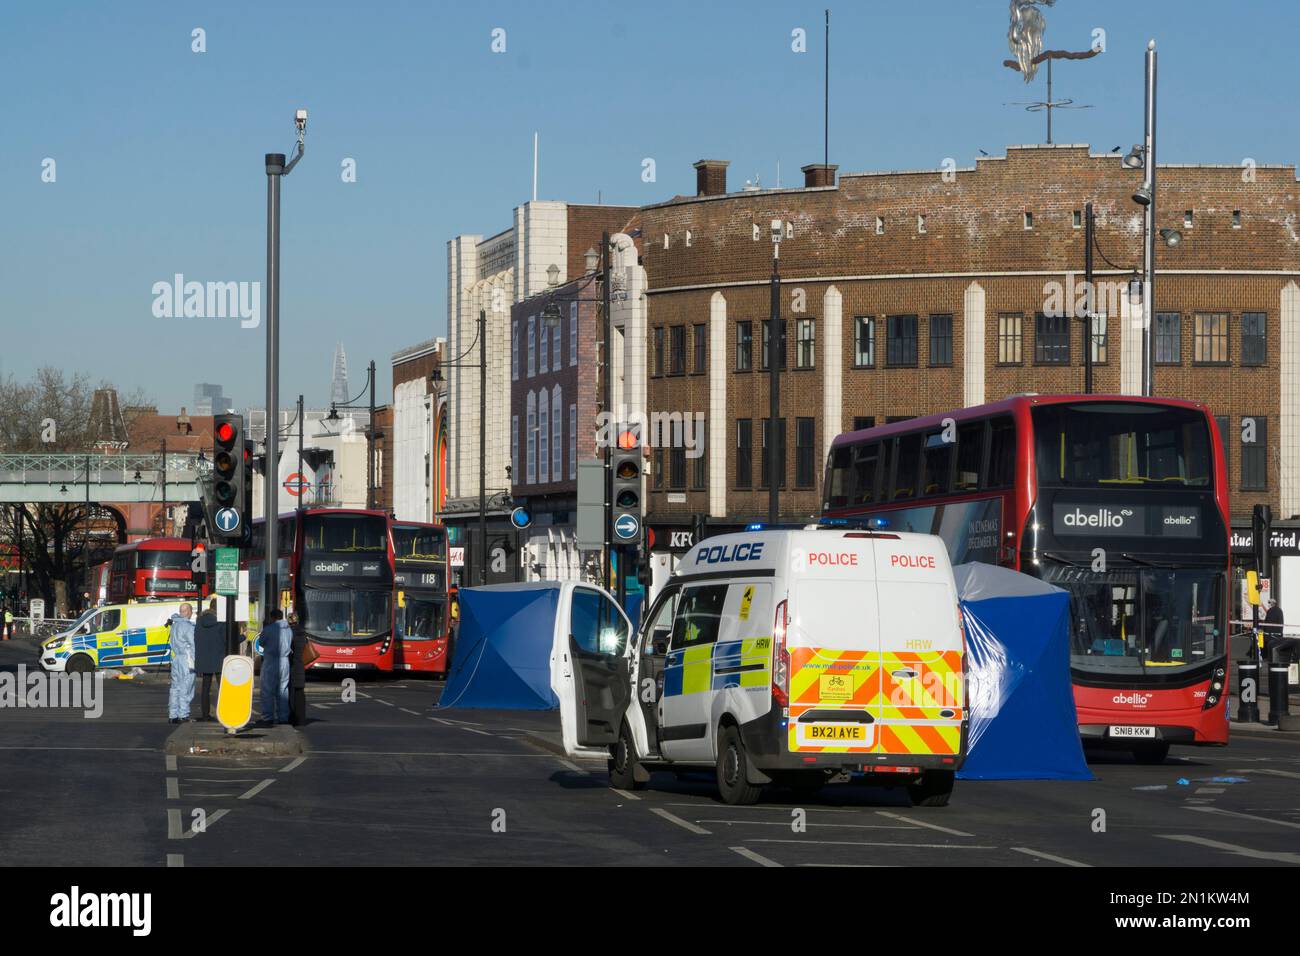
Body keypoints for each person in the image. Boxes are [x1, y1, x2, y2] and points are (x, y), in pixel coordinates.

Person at [193, 599, 225, 721]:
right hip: (218, 658)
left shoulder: (199, 620)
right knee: (222, 687)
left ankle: (205, 714)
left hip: (204, 658)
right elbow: (226, 638)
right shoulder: (221, 621)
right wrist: (243, 636)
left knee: (205, 688)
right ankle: (223, 713)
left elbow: (196, 638)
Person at [258, 610, 291, 724]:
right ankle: (283, 717)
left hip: (271, 661)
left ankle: (267, 717)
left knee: (267, 690)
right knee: (283, 689)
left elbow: (261, 642)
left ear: (272, 617)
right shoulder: (289, 629)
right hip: (285, 661)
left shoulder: (269, 629)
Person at [167, 603, 197, 724]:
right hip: (186, 659)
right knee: (186, 687)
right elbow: (193, 645)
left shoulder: (174, 625)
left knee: (175, 687)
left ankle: (172, 714)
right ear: (188, 612)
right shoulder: (188, 626)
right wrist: (196, 660)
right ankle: (183, 715)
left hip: (176, 659)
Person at [287, 612, 309, 727]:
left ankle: (292, 717)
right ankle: (301, 719)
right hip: (301, 665)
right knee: (300, 693)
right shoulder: (303, 633)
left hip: (292, 665)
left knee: (291, 693)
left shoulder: (290, 633)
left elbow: (288, 649)